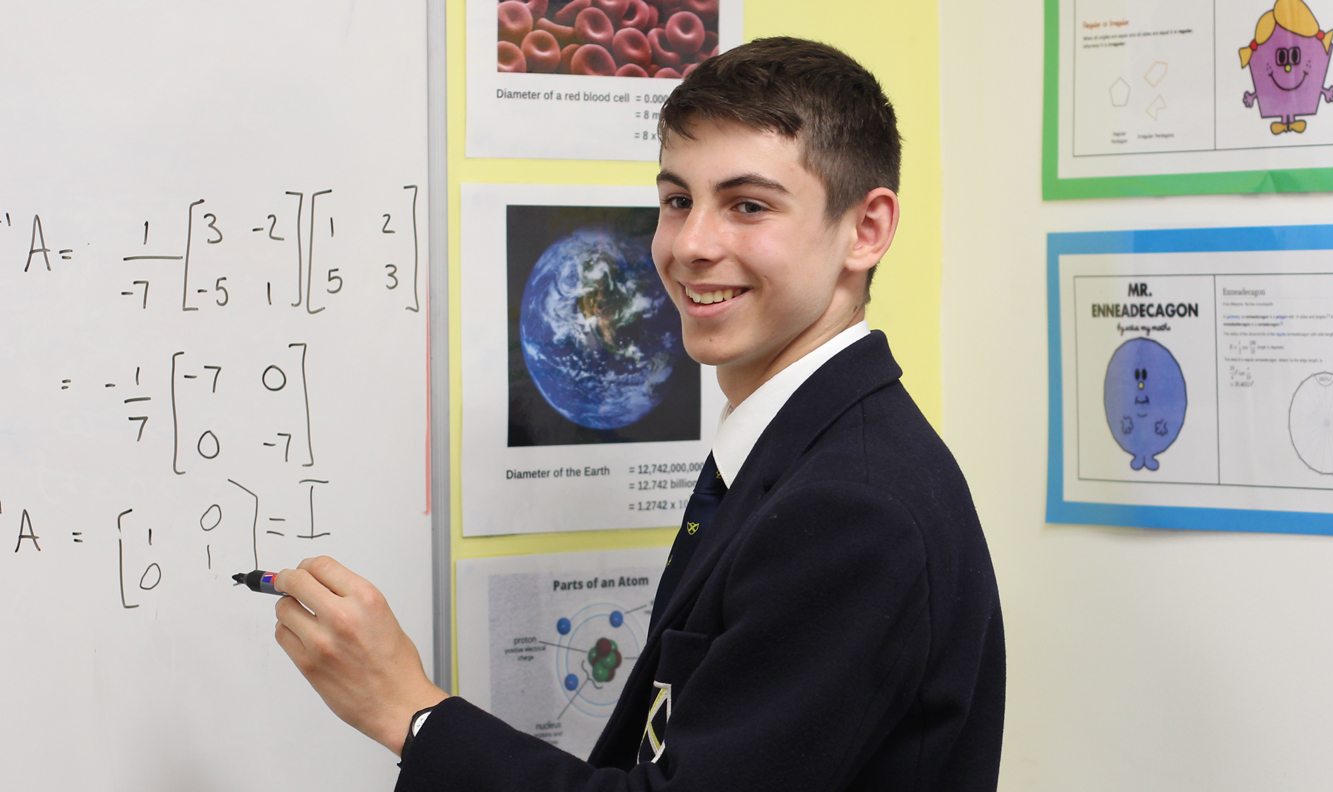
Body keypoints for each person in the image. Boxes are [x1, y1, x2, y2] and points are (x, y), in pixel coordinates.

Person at [267, 37, 1006, 791]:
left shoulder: (854, 510)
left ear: (867, 229)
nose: (689, 245)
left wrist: (411, 712)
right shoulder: (794, 455)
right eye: (678, 201)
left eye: (748, 206)